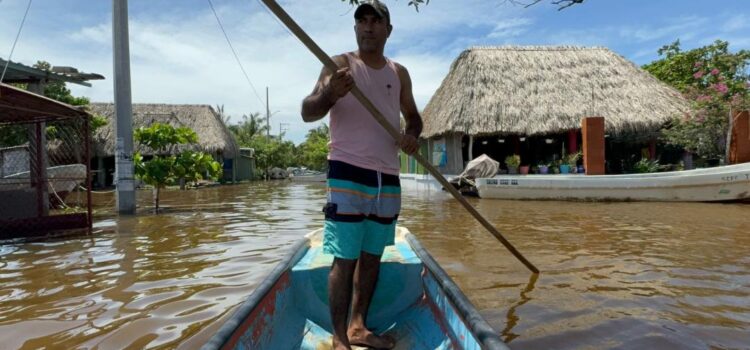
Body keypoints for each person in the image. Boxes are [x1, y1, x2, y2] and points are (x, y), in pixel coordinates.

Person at [300, 1, 422, 349]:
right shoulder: (340, 66)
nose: (368, 27)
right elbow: (308, 111)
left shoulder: (398, 73)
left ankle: (358, 326)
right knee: (345, 257)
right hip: (347, 172)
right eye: (362, 21)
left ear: (388, 30)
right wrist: (329, 93)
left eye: (375, 21)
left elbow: (413, 117)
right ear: (356, 29)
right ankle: (340, 339)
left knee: (371, 257)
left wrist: (412, 136)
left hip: (387, 176)